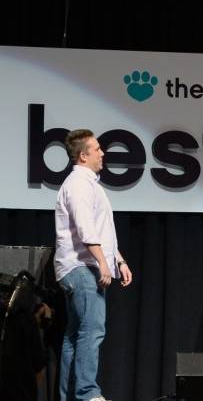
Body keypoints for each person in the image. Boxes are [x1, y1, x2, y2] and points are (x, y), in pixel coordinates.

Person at [54, 129, 133, 401]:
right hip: (82, 267)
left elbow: (102, 230)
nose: (103, 153)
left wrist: (118, 259)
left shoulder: (89, 184)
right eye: (98, 149)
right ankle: (87, 393)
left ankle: (71, 396)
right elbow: (87, 228)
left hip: (81, 267)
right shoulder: (78, 184)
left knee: (74, 336)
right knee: (92, 329)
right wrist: (103, 264)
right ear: (84, 155)